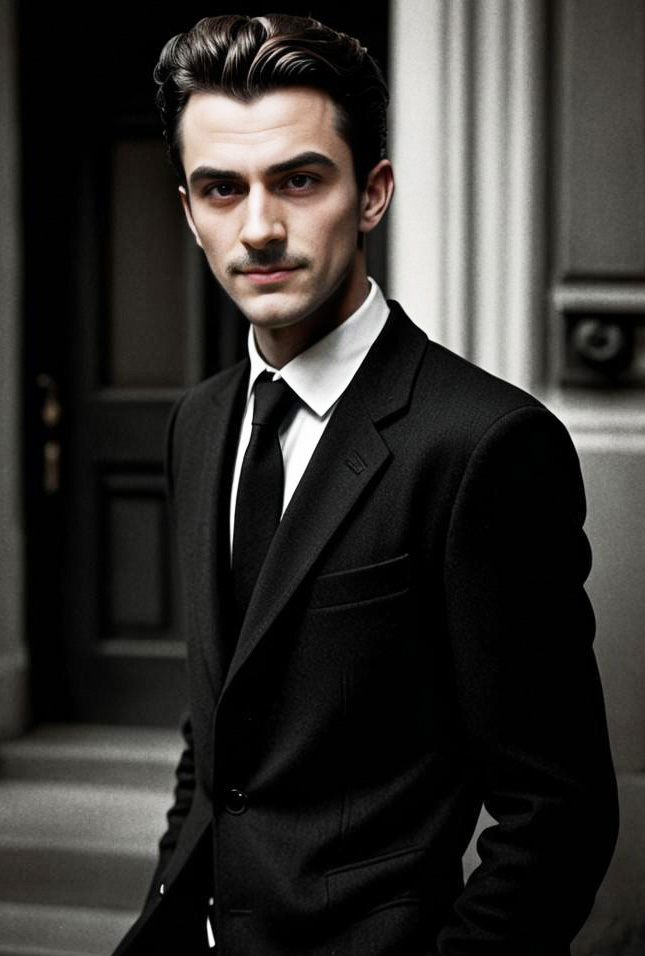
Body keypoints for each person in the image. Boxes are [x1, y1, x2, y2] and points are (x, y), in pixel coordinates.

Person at [113, 14, 618, 956]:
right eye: (221, 190)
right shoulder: (200, 421)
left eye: (298, 180)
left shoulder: (482, 445)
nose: (258, 227)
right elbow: (217, 735)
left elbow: (559, 814)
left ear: (372, 193)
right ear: (187, 210)